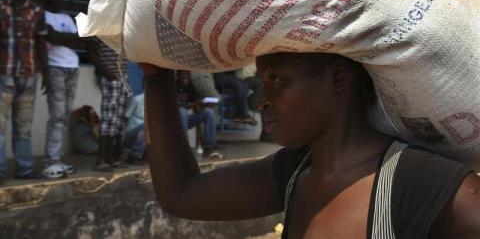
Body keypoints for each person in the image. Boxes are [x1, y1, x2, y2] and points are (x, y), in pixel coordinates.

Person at [141, 52, 480, 239]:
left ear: (338, 78)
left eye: (277, 80)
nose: (262, 101)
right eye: (262, 82)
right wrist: (158, 74)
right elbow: (182, 193)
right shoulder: (293, 172)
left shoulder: (424, 186)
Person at [0, 0, 49, 183]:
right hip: (4, 74)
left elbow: (41, 43)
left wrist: (46, 74)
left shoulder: (37, 11)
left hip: (29, 75)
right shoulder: (1, 8)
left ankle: (24, 170)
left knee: (24, 126)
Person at [42, 0, 87, 179]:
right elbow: (52, 38)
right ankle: (50, 161)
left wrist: (63, 37)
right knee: (57, 115)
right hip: (55, 68)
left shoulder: (67, 18)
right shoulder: (42, 16)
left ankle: (57, 159)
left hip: (72, 68)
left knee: (63, 115)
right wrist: (68, 37)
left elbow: (82, 40)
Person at [89, 38, 128, 172]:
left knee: (118, 121)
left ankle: (113, 159)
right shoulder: (101, 23)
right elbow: (91, 52)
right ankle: (101, 161)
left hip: (122, 77)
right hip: (110, 77)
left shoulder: (122, 26)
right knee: (108, 120)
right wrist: (106, 72)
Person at [177, 70, 220, 157]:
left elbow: (196, 101)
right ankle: (183, 148)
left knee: (208, 112)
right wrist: (196, 104)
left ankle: (209, 147)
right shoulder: (174, 86)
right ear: (178, 76)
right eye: (183, 75)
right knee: (182, 112)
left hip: (185, 121)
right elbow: (178, 107)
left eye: (187, 75)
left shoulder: (190, 86)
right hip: (173, 121)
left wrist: (202, 106)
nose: (185, 77)